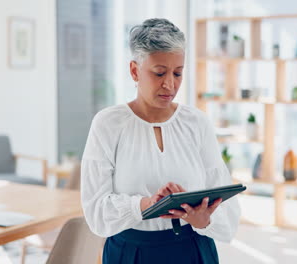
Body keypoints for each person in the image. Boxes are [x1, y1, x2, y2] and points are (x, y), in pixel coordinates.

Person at [81, 18, 240, 264]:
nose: (170, 84)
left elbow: (228, 213)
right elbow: (96, 212)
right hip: (130, 253)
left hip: (194, 249)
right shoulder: (108, 124)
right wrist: (148, 204)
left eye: (178, 73)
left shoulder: (196, 123)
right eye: (159, 73)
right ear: (134, 70)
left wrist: (203, 219)